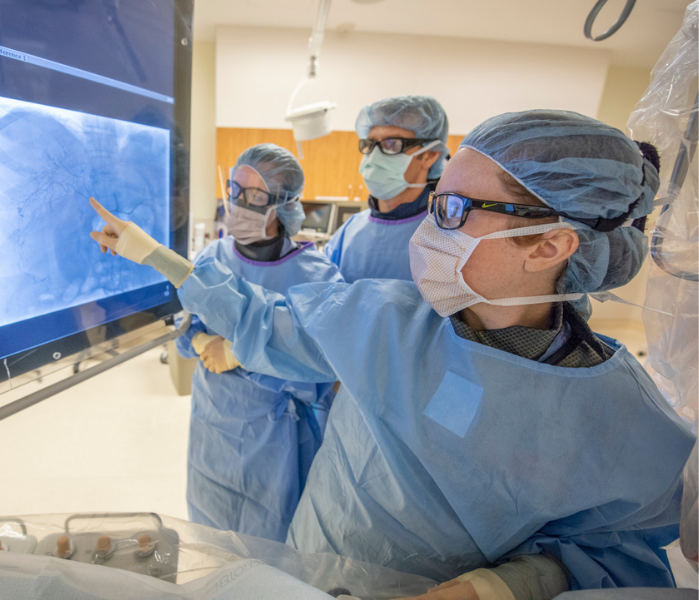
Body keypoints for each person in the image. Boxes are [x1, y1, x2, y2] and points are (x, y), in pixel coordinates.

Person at [89, 111, 695, 599]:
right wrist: (156, 257)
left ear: (549, 245)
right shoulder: (384, 322)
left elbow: (617, 554)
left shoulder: (620, 418)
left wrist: (499, 586)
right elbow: (260, 323)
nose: (429, 229)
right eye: (436, 203)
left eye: (455, 209)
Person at [174, 144, 342, 542]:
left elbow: (325, 370)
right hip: (213, 429)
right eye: (235, 190)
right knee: (210, 544)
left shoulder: (317, 277)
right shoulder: (212, 257)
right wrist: (199, 341)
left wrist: (240, 354)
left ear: (283, 204)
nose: (239, 203)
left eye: (256, 196)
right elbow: (181, 326)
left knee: (270, 551)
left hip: (277, 441)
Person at [325, 95, 448, 282]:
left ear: (429, 155)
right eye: (370, 144)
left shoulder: (447, 237)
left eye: (392, 144)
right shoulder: (348, 232)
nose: (374, 157)